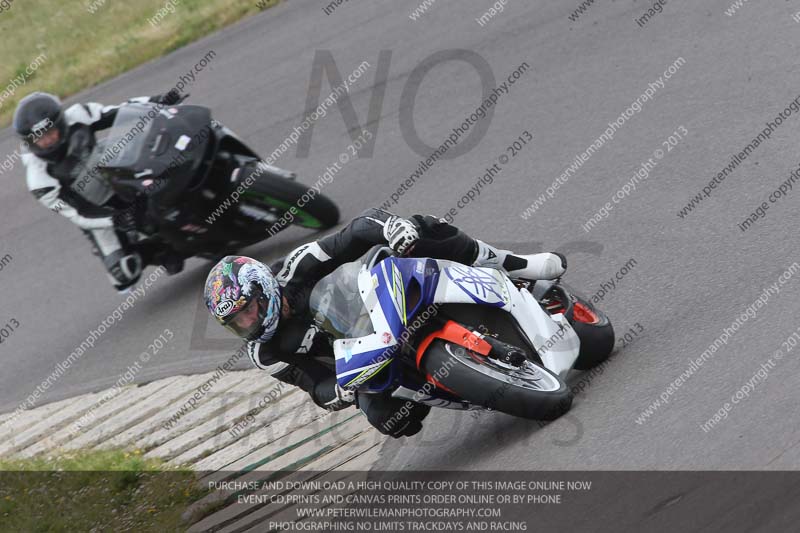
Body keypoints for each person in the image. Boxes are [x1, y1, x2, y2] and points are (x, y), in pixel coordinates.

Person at [203, 208, 567, 438]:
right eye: (237, 322)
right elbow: (315, 386)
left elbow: (356, 231)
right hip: (366, 354)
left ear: (263, 289)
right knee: (389, 420)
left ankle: (513, 263)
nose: (248, 323)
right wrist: (340, 393)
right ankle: (464, 384)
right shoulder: (266, 353)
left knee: (421, 230)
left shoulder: (295, 266)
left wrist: (391, 229)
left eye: (248, 310)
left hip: (378, 298)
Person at [14, 90, 183, 292]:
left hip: (117, 170)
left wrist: (156, 101)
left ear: (60, 123)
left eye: (50, 133)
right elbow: (76, 215)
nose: (47, 141)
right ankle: (159, 249)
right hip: (96, 210)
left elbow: (122, 110)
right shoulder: (39, 179)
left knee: (158, 152)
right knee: (123, 275)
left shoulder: (78, 115)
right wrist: (115, 220)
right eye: (39, 138)